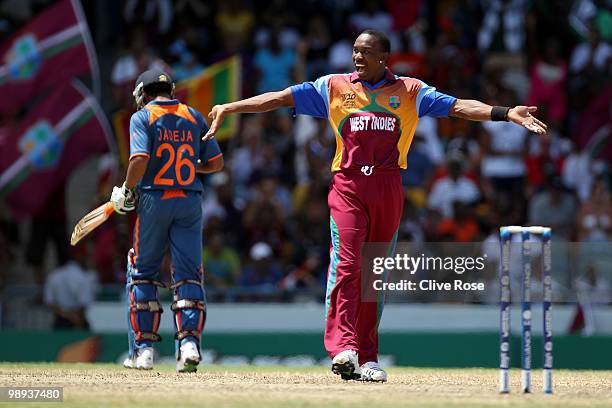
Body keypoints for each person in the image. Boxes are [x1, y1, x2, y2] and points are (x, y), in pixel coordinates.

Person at [204, 29, 547, 382]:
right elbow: (279, 99)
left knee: (374, 274)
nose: (357, 57)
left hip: (387, 186)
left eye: (366, 52)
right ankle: (343, 348)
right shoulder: (333, 87)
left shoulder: (411, 91)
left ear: (384, 57)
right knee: (348, 263)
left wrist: (504, 113)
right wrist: (232, 106)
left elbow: (459, 107)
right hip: (348, 185)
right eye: (354, 50)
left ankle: (368, 357)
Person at [110, 69, 224, 372]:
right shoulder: (193, 115)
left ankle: (143, 351)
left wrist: (126, 189)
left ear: (142, 93)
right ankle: (189, 345)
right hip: (189, 200)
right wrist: (184, 166)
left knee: (143, 272)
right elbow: (216, 162)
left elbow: (139, 159)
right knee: (188, 274)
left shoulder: (142, 117)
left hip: (153, 199)